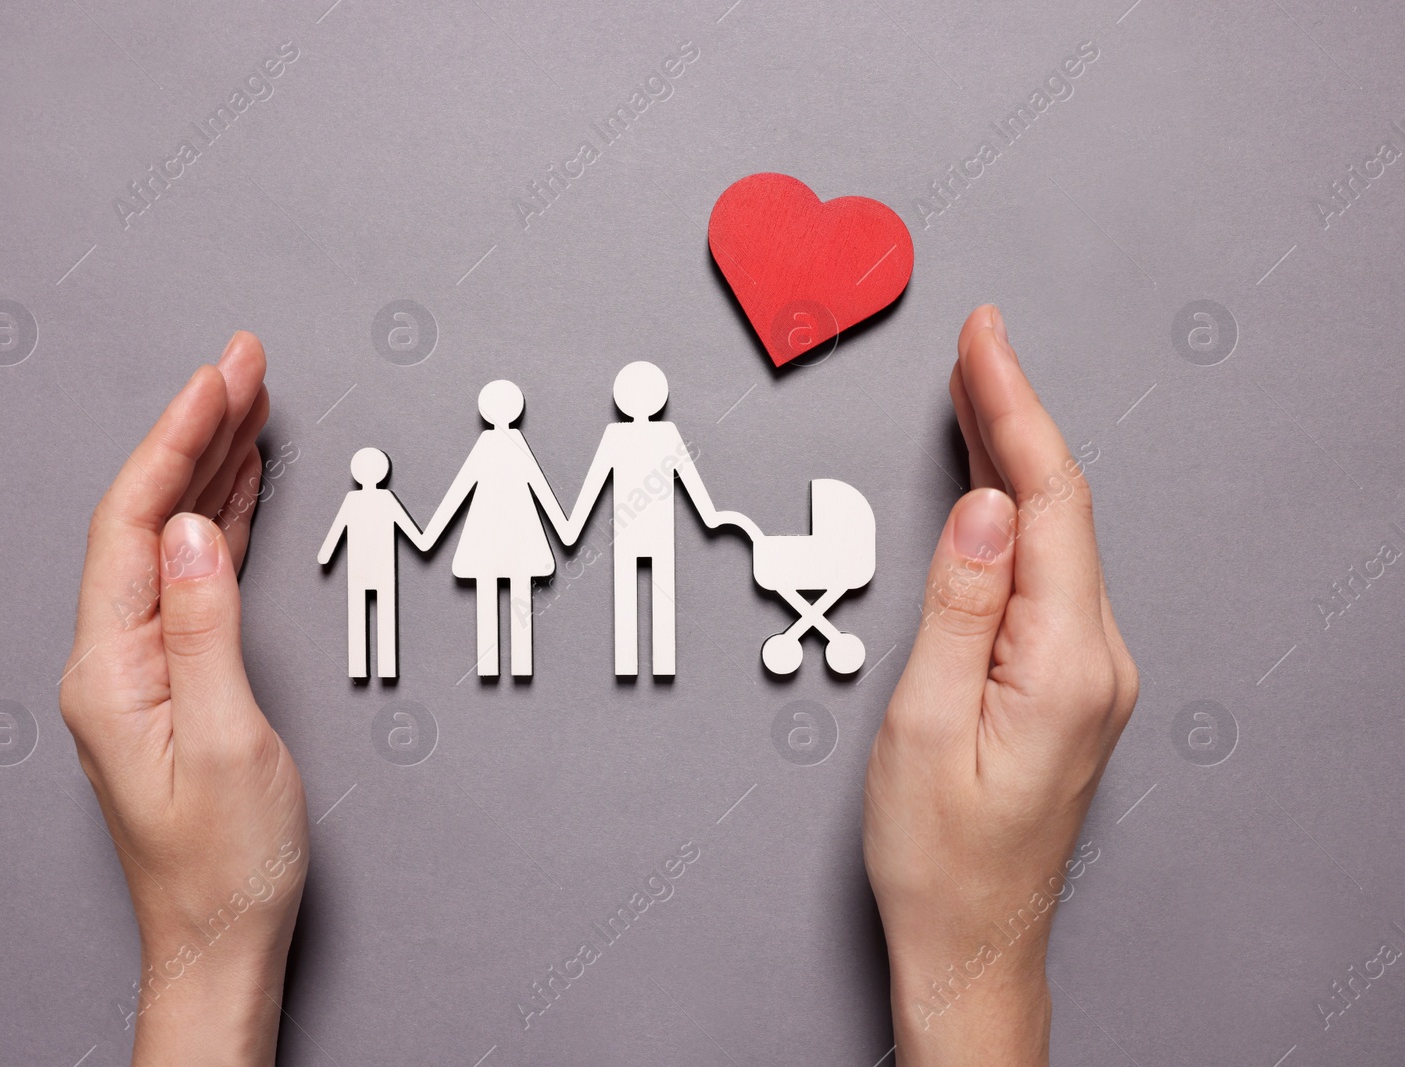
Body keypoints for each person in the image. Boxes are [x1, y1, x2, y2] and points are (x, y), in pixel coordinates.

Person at [59, 308, 1137, 1066]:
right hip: (525, 557)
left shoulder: (630, 444)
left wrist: (205, 973)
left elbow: (639, 491)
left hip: (573, 552)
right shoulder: (546, 454)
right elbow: (545, 494)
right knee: (602, 605)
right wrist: (978, 977)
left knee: (642, 606)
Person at [558, 360, 749, 676]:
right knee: (657, 591)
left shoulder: (620, 435)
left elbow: (594, 487)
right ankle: (654, 664)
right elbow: (689, 483)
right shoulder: (660, 434)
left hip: (634, 531)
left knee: (631, 591)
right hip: (646, 531)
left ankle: (634, 664)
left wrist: (572, 527)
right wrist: (711, 517)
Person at [419, 379, 569, 678]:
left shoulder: (490, 445)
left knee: (490, 593)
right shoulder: (510, 445)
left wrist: (430, 535)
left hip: (487, 538)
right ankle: (518, 664)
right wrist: (566, 528)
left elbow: (459, 492)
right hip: (516, 537)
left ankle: (493, 665)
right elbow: (539, 488)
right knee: (518, 596)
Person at [316, 447, 431, 679]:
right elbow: (414, 535)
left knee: (358, 615)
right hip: (381, 571)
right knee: (384, 616)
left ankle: (362, 668)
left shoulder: (354, 500)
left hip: (361, 571)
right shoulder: (385, 500)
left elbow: (335, 533)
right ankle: (385, 669)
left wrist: (326, 554)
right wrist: (426, 539)